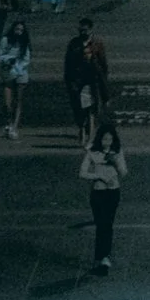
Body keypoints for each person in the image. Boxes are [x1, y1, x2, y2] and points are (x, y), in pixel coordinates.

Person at [80, 118, 128, 270]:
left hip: (113, 191)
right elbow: (82, 173)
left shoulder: (117, 152)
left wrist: (115, 162)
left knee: (107, 224)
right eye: (104, 138)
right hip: (98, 192)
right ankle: (100, 256)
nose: (107, 141)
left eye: (109, 138)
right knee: (101, 224)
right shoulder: (92, 153)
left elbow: (124, 172)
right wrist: (98, 176)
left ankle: (104, 256)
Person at [64, 19, 109, 129]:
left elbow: (103, 62)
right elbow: (68, 62)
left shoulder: (97, 43)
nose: (82, 32)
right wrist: (69, 79)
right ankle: (83, 125)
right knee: (78, 105)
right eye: (80, 30)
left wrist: (104, 77)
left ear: (90, 29)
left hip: (93, 78)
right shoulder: (74, 43)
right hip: (78, 78)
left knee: (93, 105)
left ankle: (91, 127)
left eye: (85, 30)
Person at [0, 6, 30, 135]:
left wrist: (17, 66)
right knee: (7, 103)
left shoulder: (25, 43)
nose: (19, 32)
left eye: (21, 30)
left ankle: (14, 126)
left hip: (20, 73)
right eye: (17, 29)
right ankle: (8, 122)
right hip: (8, 73)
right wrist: (8, 60)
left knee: (18, 102)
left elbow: (26, 59)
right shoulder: (5, 40)